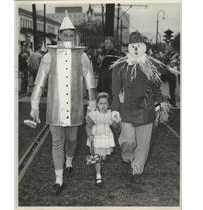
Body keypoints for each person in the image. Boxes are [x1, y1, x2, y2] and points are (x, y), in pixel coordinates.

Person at [30, 11, 96, 195]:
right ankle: (58, 178)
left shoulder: (82, 56)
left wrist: (92, 103)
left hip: (75, 108)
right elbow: (39, 82)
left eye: (71, 35)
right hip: (54, 108)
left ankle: (69, 161)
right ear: (59, 35)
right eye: (65, 35)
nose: (68, 38)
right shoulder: (48, 56)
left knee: (73, 139)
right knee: (57, 142)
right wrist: (34, 104)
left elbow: (90, 80)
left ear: (74, 36)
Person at [111, 31, 170, 184]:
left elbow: (159, 82)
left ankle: (137, 169)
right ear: (129, 47)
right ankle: (127, 156)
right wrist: (115, 108)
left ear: (143, 47)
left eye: (138, 46)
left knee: (143, 143)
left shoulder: (150, 65)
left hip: (146, 108)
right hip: (126, 108)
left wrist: (160, 103)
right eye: (133, 46)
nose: (136, 49)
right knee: (129, 141)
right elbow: (116, 90)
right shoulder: (121, 66)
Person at [86, 92, 120, 186]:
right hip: (96, 137)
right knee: (97, 156)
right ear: (97, 104)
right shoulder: (94, 114)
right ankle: (98, 175)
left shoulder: (111, 114)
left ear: (108, 104)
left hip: (106, 138)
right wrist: (90, 135)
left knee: (103, 157)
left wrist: (113, 122)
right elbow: (88, 126)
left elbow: (116, 127)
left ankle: (100, 163)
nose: (103, 106)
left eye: (105, 103)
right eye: (101, 103)